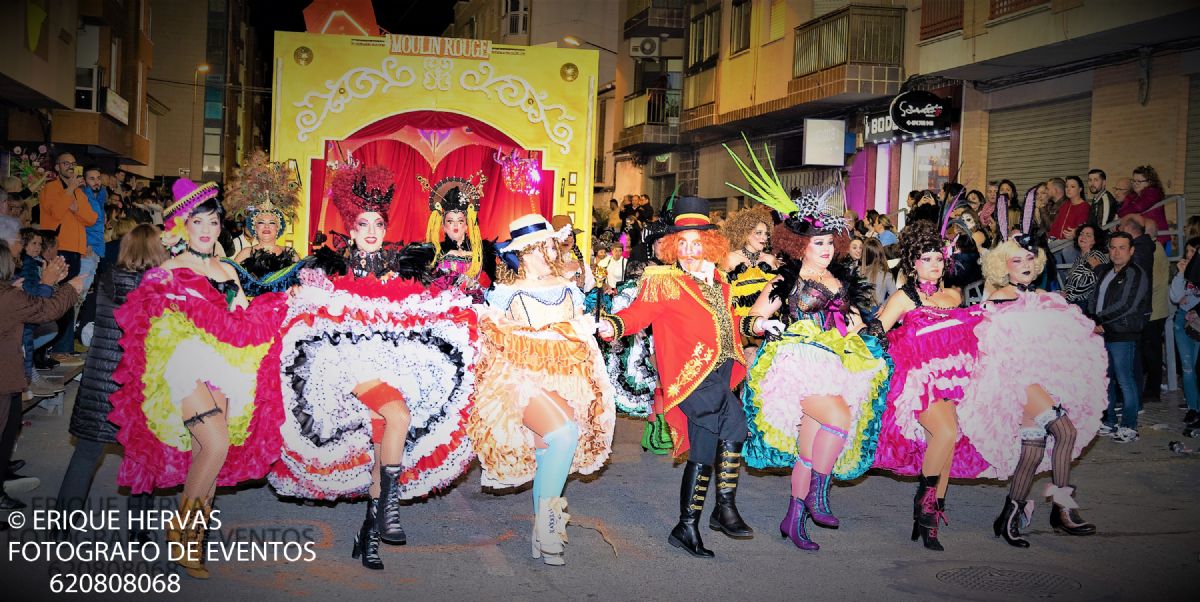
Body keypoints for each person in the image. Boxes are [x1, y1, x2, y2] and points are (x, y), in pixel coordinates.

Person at [269, 166, 477, 572]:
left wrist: (457, 296)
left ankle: (370, 533)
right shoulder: (332, 266)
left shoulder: (402, 266)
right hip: (350, 368)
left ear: (385, 227)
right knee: (398, 415)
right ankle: (391, 512)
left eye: (378, 224)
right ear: (352, 227)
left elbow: (429, 301)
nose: (371, 230)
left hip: (393, 367)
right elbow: (308, 302)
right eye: (363, 223)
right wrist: (299, 291)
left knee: (384, 445)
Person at [108, 179, 287, 578]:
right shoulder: (169, 269)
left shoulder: (226, 269)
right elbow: (146, 319)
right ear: (183, 227)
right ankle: (183, 530)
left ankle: (194, 537)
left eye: (212, 223)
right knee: (217, 442)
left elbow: (243, 314)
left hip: (224, 367)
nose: (206, 230)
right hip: (182, 367)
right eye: (198, 222)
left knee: (211, 452)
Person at [597, 196, 752, 559]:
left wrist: (756, 324)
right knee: (703, 447)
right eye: (681, 243)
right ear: (671, 246)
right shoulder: (663, 283)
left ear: (710, 246)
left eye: (697, 243)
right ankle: (687, 525)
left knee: (736, 428)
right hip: (692, 378)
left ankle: (722, 508)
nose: (689, 250)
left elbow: (728, 323)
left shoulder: (719, 282)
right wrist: (614, 324)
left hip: (722, 373)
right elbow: (638, 313)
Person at [739, 190, 890, 553]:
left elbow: (854, 321)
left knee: (809, 447)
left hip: (837, 360)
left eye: (829, 242)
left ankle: (794, 517)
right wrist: (763, 327)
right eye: (816, 242)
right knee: (838, 416)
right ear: (799, 245)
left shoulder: (840, 280)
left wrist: (862, 329)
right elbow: (751, 319)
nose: (825, 249)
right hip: (798, 363)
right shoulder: (785, 281)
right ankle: (818, 495)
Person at [470, 214, 615, 567]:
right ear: (526, 250)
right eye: (544, 245)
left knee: (550, 448)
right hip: (522, 380)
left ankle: (542, 528)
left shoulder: (568, 286)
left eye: (551, 243)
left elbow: (584, 327)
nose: (550, 249)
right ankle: (549, 527)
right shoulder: (506, 293)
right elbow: (491, 337)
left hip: (567, 376)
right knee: (564, 435)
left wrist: (602, 325)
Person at [971, 236, 1106, 547]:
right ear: (1003, 266)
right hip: (1016, 382)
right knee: (1066, 432)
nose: (1026, 266)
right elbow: (990, 342)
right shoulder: (999, 297)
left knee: (1032, 453)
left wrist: (1085, 328)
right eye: (1017, 261)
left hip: (1040, 381)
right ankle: (1063, 509)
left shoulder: (1042, 296)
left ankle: (1008, 516)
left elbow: (1059, 334)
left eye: (1029, 259)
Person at [871, 221, 988, 552]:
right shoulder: (904, 297)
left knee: (948, 441)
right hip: (917, 383)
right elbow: (877, 331)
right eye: (926, 259)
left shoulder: (953, 295)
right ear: (913, 263)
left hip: (951, 380)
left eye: (939, 259)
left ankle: (931, 513)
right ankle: (925, 509)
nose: (934, 265)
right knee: (947, 433)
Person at [55, 225, 165, 539]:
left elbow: (91, 327)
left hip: (100, 382)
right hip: (138, 385)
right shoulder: (159, 289)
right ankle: (139, 532)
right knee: (141, 457)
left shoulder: (105, 281)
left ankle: (61, 527)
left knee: (87, 455)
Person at [0, 217, 84, 512]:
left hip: (8, 370)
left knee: (9, 425)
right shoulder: (8, 296)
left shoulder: (9, 292)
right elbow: (45, 309)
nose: (19, 254)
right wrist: (67, 287)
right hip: (5, 371)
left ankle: (3, 474)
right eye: (15, 251)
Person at [1089, 232, 1150, 443]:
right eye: (1113, 247)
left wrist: (1100, 321)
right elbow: (1095, 298)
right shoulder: (1106, 271)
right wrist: (1091, 319)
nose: (1116, 252)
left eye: (1122, 247)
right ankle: (1109, 420)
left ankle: (1129, 426)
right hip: (1103, 332)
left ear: (1131, 251)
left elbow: (1127, 304)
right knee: (1106, 380)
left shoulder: (1136, 273)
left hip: (1122, 333)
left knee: (1125, 380)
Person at [39, 152, 98, 362]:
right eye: (66, 163)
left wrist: (75, 208)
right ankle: (57, 350)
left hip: (75, 250)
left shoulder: (79, 193)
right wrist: (70, 193)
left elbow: (92, 218)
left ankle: (64, 348)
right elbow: (55, 212)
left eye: (73, 164)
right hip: (58, 249)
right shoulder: (50, 188)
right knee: (60, 298)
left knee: (70, 297)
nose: (71, 167)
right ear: (57, 167)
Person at [225, 151, 302, 295]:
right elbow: (232, 287)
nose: (266, 226)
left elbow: (303, 285)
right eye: (261, 222)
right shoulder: (245, 254)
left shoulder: (291, 254)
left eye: (271, 223)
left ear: (279, 227)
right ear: (254, 227)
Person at [420, 172, 497, 291]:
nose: (456, 225)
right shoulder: (433, 253)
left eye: (460, 221)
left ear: (467, 225)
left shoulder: (482, 252)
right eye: (450, 221)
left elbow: (492, 283)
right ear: (443, 226)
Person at [1170, 238, 1200, 424]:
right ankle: (1192, 407)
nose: (1190, 255)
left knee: (1197, 366)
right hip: (1182, 320)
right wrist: (1181, 274)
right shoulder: (1184, 273)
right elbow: (1175, 297)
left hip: (1197, 320)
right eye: (1188, 250)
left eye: (1194, 251)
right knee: (1188, 368)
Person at [1060, 224, 1108, 310]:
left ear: (1095, 241)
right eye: (1081, 234)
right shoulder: (1079, 258)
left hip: (1086, 303)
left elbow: (1089, 282)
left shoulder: (1095, 255)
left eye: (1088, 235)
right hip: (1074, 301)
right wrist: (1064, 293)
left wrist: (1067, 298)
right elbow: (1071, 282)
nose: (1083, 237)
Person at [1118, 165, 1169, 246]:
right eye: (1133, 181)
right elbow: (1122, 211)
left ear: (1149, 182)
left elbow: (1138, 207)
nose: (1135, 184)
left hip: (1158, 239)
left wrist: (1122, 214)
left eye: (1139, 181)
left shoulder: (1153, 193)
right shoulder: (1132, 196)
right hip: (1141, 236)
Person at [1049, 176, 1091, 263]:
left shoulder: (1084, 206)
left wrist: (1076, 232)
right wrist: (1051, 236)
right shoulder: (1065, 205)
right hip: (1059, 241)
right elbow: (1056, 224)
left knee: (1061, 249)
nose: (1068, 189)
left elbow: (1082, 227)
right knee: (1052, 251)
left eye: (1072, 187)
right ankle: (1063, 276)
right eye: (1067, 186)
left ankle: (1072, 275)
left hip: (1073, 242)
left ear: (1080, 189)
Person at [861, 238, 895, 309]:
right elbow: (894, 295)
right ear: (881, 253)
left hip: (860, 312)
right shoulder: (887, 275)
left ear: (864, 254)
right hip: (878, 312)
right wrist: (883, 306)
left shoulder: (857, 272)